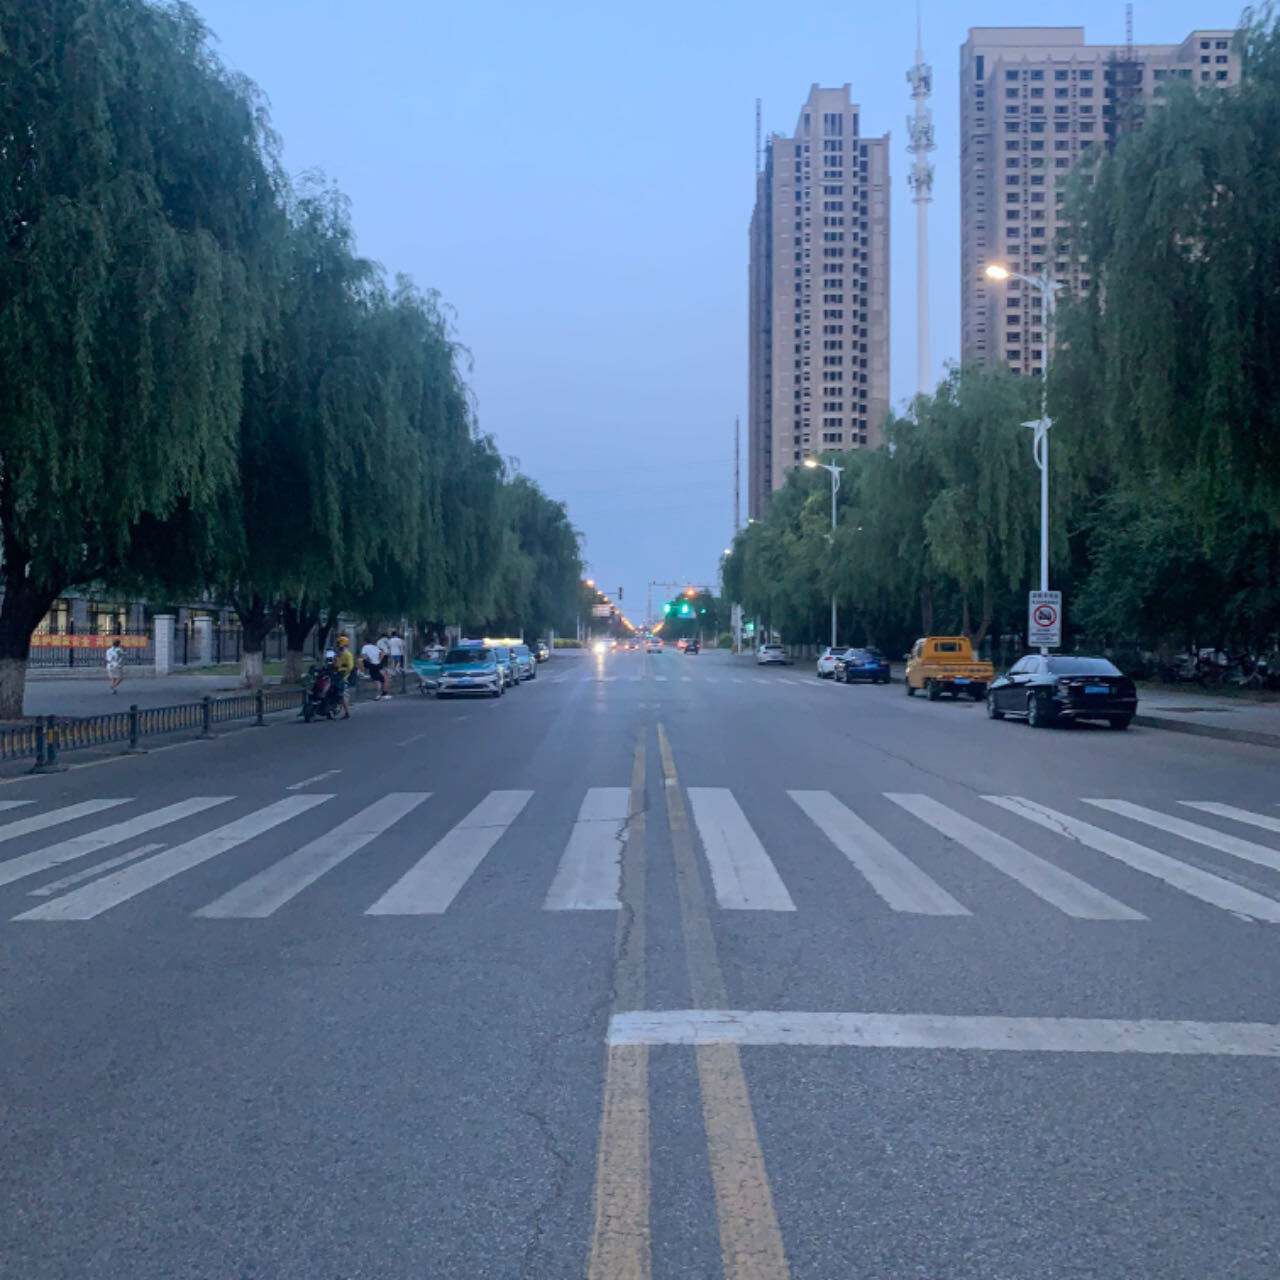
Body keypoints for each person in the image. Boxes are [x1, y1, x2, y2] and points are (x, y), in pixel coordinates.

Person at [333, 636, 354, 718]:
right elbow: (335, 664)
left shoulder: (347, 654)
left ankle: (347, 712)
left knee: (342, 694)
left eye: (338, 643)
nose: (337, 645)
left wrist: (342, 671)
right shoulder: (338, 654)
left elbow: (350, 667)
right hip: (335, 675)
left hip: (342, 677)